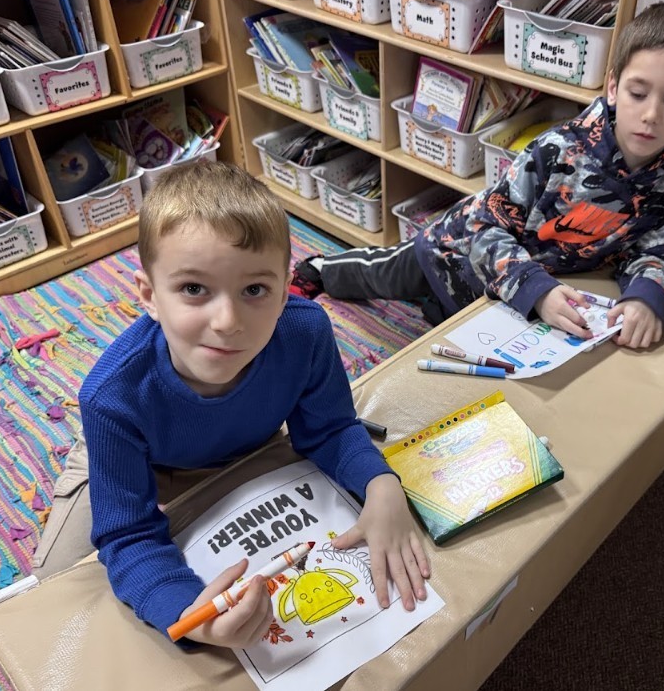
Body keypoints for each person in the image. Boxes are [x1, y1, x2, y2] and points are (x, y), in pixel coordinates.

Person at [31, 162, 430, 649]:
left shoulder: (305, 331)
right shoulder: (111, 397)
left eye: (255, 290)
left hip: (248, 446)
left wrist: (381, 484)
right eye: (194, 289)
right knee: (57, 591)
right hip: (140, 456)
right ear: (149, 296)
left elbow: (329, 429)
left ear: (285, 291)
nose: (228, 321)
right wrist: (189, 614)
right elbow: (128, 534)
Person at [291, 1, 664, 349]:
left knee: (450, 317)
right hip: (456, 247)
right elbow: (482, 226)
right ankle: (317, 268)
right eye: (637, 92)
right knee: (387, 272)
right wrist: (536, 289)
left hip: (531, 282)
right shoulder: (558, 149)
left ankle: (442, 305)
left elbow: (656, 252)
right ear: (612, 87)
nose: (650, 115)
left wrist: (647, 297)